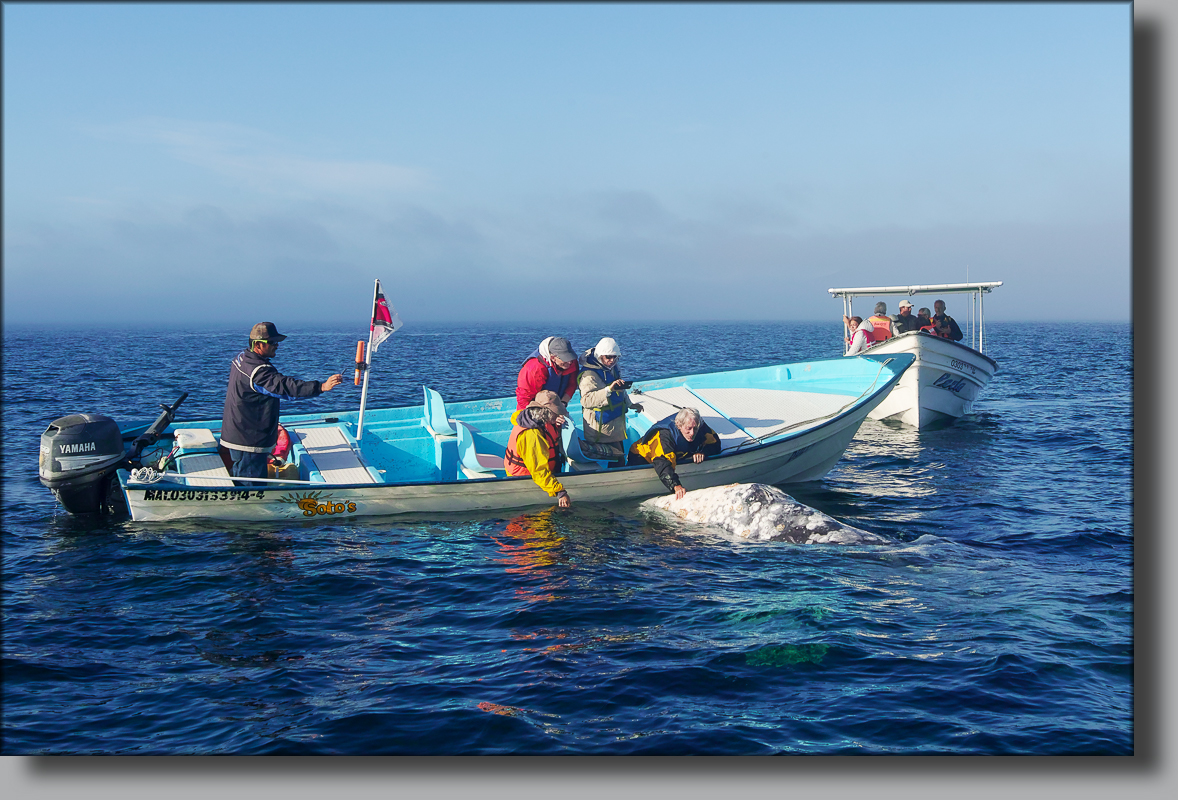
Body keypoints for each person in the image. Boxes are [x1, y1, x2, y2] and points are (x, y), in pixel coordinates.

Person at [221, 322, 344, 481]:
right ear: (258, 344)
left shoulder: (242, 357)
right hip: (249, 440)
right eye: (272, 342)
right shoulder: (259, 372)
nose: (277, 346)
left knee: (241, 474)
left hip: (236, 432)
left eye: (277, 342)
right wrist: (321, 387)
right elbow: (286, 388)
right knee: (251, 486)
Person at [627, 407, 721, 500]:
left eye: (695, 428)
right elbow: (663, 463)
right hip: (641, 456)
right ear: (679, 425)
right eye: (688, 429)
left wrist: (703, 452)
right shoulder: (665, 436)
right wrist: (676, 486)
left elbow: (715, 443)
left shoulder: (699, 426)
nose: (692, 433)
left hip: (677, 454)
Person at [577, 337, 643, 467]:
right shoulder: (589, 375)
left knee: (619, 459)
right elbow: (586, 400)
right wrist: (608, 390)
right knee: (612, 461)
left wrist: (630, 404)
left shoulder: (612, 368)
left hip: (615, 427)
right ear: (600, 356)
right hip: (600, 429)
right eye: (608, 357)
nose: (611, 360)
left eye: (615, 357)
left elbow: (620, 390)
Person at [503, 390, 573, 508]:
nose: (558, 415)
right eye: (556, 413)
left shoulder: (531, 417)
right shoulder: (532, 436)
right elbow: (538, 471)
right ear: (546, 413)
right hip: (524, 477)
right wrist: (560, 492)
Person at [517, 336, 579, 410]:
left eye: (570, 357)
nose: (569, 362)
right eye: (565, 359)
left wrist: (563, 403)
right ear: (552, 357)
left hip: (556, 405)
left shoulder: (571, 362)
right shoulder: (534, 369)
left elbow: (572, 384)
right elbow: (524, 399)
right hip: (533, 409)